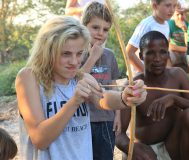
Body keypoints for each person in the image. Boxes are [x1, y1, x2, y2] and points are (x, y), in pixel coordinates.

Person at [15, 16, 147, 160]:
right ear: (47, 51)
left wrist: (125, 98)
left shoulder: (81, 77)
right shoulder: (29, 78)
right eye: (66, 54)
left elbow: (102, 99)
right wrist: (74, 102)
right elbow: (40, 139)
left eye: (79, 54)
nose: (74, 62)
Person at [116, 31, 189, 160]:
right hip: (146, 150)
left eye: (162, 52)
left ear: (168, 54)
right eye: (150, 53)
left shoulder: (178, 76)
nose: (157, 58)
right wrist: (131, 147)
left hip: (173, 146)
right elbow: (118, 133)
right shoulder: (133, 86)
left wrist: (174, 99)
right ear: (141, 56)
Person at [81, 2, 120, 159]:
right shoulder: (76, 54)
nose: (100, 33)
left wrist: (117, 115)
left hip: (106, 119)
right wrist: (93, 57)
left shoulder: (109, 55)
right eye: (95, 27)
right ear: (84, 27)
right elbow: (75, 81)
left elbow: (114, 86)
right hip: (84, 119)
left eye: (105, 29)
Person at [126, 0, 177, 75]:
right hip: (140, 76)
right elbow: (129, 53)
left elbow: (164, 52)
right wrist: (147, 74)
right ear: (155, 6)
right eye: (168, 5)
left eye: (174, 6)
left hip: (156, 74)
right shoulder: (146, 25)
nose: (172, 10)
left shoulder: (166, 25)